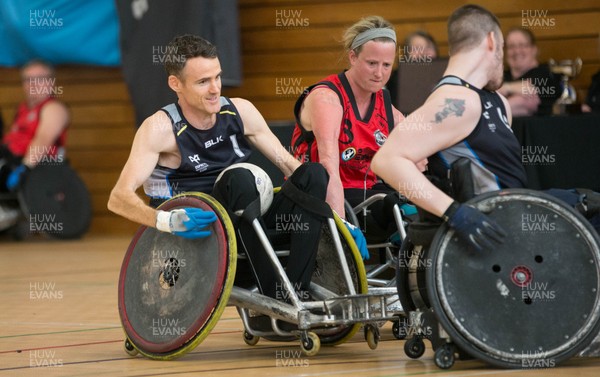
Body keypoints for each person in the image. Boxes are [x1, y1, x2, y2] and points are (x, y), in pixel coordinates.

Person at [108, 34, 329, 300]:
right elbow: (118, 198)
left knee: (313, 174)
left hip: (247, 216)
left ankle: (295, 292)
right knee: (239, 179)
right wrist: (165, 220)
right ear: (175, 84)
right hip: (200, 231)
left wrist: (335, 216)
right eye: (203, 82)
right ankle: (275, 296)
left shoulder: (241, 111)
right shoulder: (160, 128)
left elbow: (290, 166)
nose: (215, 89)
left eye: (217, 77)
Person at [372, 5, 599, 253]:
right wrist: (453, 213)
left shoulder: (495, 101)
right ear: (492, 41)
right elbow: (386, 160)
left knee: (590, 201)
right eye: (503, 48)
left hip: (521, 215)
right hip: (500, 231)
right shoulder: (457, 101)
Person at [291, 16, 425, 253]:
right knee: (395, 204)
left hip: (366, 200)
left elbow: (417, 160)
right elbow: (328, 167)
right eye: (372, 63)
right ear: (353, 57)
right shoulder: (327, 98)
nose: (379, 73)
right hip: (317, 197)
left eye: (386, 65)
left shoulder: (388, 109)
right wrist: (342, 229)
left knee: (423, 193)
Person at [0, 59, 69, 192]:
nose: (34, 84)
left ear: (51, 82)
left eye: (40, 79)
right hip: (10, 165)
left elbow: (43, 140)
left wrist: (23, 170)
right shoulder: (23, 110)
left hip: (38, 173)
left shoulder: (53, 108)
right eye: (28, 79)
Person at [497, 27, 561, 116]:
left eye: (522, 45)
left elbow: (523, 101)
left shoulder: (545, 74)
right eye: (511, 46)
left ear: (534, 49)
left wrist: (505, 89)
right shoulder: (500, 76)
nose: (517, 51)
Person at [387, 30, 439, 107]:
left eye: (428, 47)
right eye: (417, 48)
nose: (423, 53)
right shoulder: (394, 79)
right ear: (406, 53)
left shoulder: (445, 75)